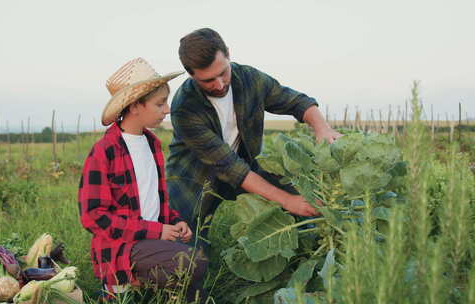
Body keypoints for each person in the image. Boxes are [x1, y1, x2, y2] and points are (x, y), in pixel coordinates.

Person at [166, 28, 342, 233]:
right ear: (191, 74)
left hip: (245, 167)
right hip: (195, 179)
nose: (220, 84)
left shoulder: (249, 78)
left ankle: (308, 242)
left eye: (223, 73)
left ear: (228, 54)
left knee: (291, 194)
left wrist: (322, 129)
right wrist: (287, 200)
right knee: (191, 247)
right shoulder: (184, 106)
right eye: (208, 81)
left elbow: (297, 102)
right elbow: (229, 167)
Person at [78, 58, 208, 302]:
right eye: (160, 104)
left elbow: (157, 201)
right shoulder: (105, 150)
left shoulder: (152, 144)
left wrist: (176, 221)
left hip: (150, 240)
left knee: (195, 268)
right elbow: (92, 216)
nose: (167, 109)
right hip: (120, 247)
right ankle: (117, 284)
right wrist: (157, 231)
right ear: (135, 106)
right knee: (191, 262)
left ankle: (145, 288)